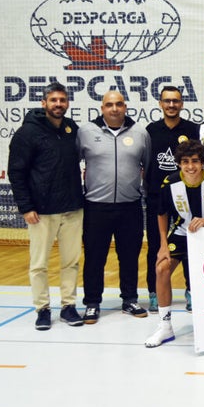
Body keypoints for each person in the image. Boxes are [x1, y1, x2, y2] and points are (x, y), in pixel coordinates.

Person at [8, 82, 84, 330]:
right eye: (53, 100)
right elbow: (16, 173)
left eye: (62, 100)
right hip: (40, 211)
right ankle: (42, 309)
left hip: (72, 207)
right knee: (39, 264)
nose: (58, 104)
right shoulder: (27, 133)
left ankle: (68, 306)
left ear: (67, 102)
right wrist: (26, 207)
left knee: (71, 261)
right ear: (44, 103)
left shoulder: (72, 128)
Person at [77, 90, 150, 324]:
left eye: (119, 104)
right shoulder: (86, 132)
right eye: (109, 105)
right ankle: (91, 303)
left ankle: (129, 299)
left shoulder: (140, 133)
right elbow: (71, 163)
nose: (114, 109)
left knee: (129, 256)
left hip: (130, 207)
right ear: (102, 108)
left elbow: (147, 167)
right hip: (96, 207)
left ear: (125, 106)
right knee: (95, 257)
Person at [144, 141, 204, 348]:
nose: (191, 167)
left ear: (203, 163)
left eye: (195, 162)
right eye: (186, 162)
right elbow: (161, 214)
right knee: (161, 268)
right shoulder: (169, 183)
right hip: (181, 234)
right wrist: (163, 244)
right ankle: (165, 327)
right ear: (179, 164)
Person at [145, 85, 200, 313]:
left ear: (182, 104)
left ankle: (192, 291)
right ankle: (154, 293)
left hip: (187, 199)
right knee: (156, 247)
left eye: (175, 101)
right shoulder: (150, 130)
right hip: (157, 197)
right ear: (160, 104)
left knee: (190, 246)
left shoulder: (193, 129)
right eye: (167, 101)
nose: (171, 105)